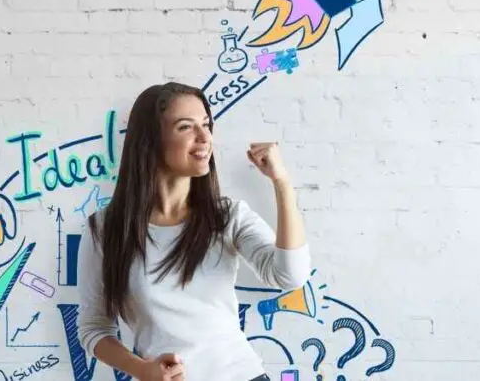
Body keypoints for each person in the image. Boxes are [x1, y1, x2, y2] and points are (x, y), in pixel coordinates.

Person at [78, 82, 312, 381]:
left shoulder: (227, 217)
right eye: (186, 127)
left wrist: (281, 183)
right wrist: (142, 369)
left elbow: (289, 276)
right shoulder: (105, 229)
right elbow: (94, 327)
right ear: (151, 140)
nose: (204, 138)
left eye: (206, 124)